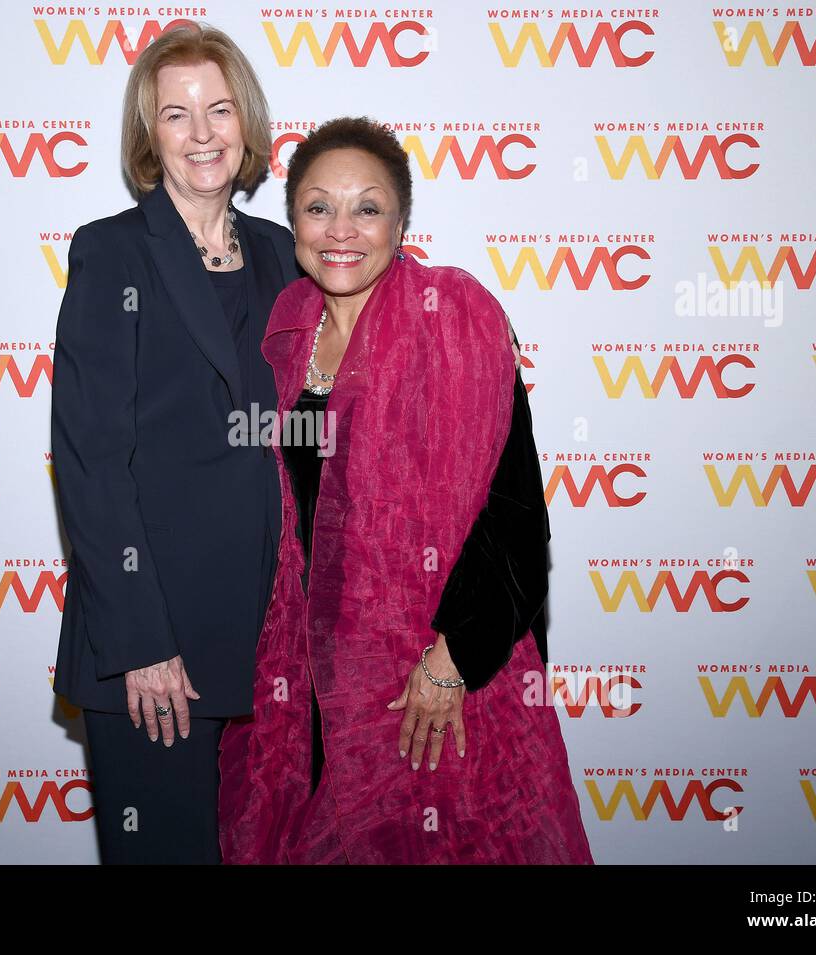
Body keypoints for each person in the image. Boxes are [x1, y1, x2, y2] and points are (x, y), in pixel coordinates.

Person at [217, 116, 595, 864]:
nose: (341, 229)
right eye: (319, 206)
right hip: (313, 690)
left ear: (401, 221)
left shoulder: (454, 315)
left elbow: (516, 516)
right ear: (292, 221)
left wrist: (448, 661)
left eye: (368, 206)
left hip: (434, 679)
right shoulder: (284, 334)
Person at [49, 23, 299, 864]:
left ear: (247, 123)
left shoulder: (285, 254)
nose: (202, 133)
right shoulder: (113, 251)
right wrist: (141, 641)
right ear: (148, 135)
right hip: (159, 647)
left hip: (270, 640)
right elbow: (91, 460)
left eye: (220, 109)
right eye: (177, 114)